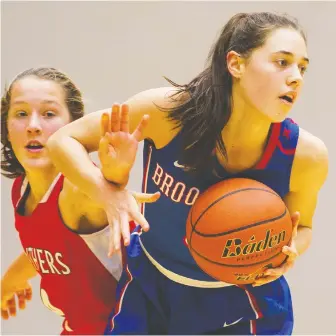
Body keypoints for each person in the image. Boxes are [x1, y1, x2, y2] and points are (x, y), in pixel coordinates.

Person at [47, 12, 329, 335]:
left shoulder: (306, 156)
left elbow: (303, 226)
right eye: (282, 62)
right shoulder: (167, 113)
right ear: (235, 64)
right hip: (153, 285)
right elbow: (62, 140)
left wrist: (290, 249)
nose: (296, 78)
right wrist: (107, 193)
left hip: (242, 302)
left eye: (302, 68)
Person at [0, 67, 159, 335]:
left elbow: (101, 188)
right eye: (21, 113)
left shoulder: (75, 188)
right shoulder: (22, 189)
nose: (33, 126)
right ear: (6, 126)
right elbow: (45, 243)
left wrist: (116, 174)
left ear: (73, 127)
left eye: (49, 114)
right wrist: (9, 282)